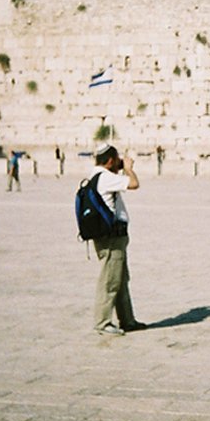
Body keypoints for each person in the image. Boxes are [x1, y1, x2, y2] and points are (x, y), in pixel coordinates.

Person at [90, 144, 146, 335]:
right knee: (110, 281)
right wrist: (129, 169)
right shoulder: (106, 178)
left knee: (120, 279)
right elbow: (133, 184)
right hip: (112, 238)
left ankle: (127, 320)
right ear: (111, 160)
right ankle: (102, 322)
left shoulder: (96, 174)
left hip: (113, 236)